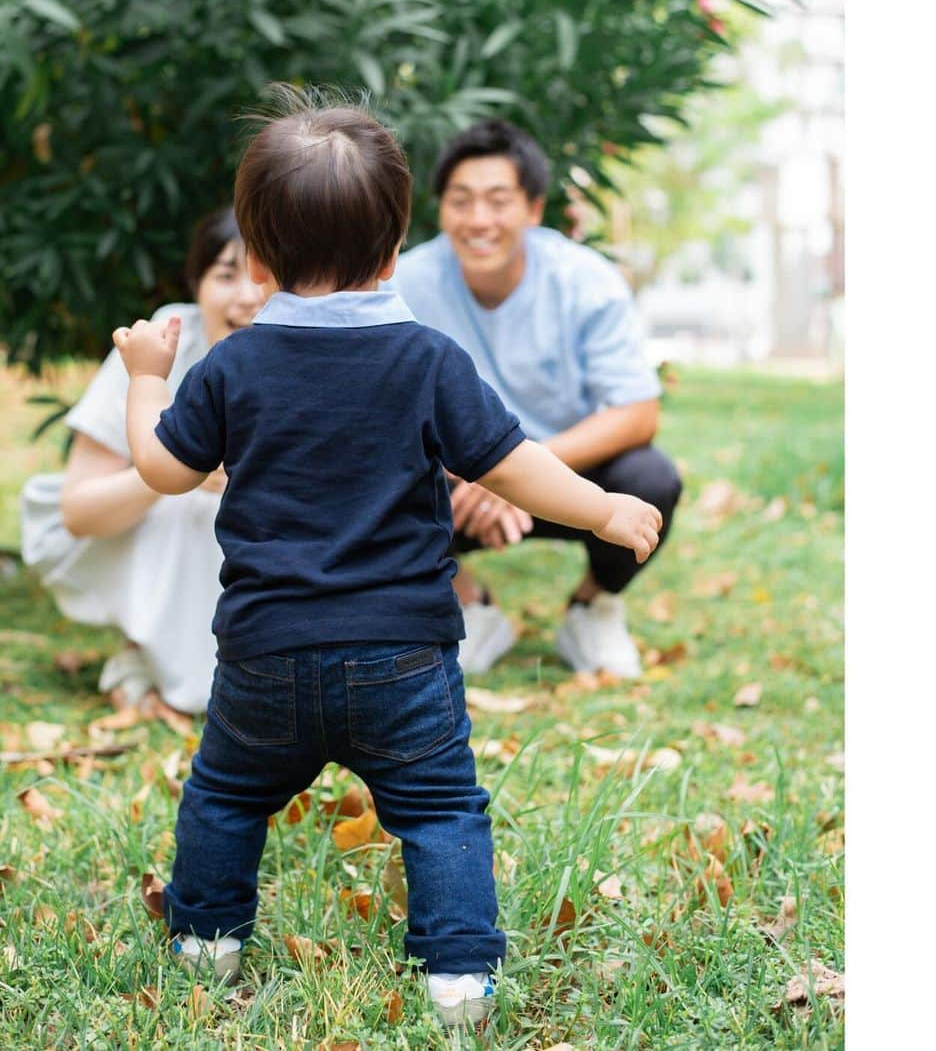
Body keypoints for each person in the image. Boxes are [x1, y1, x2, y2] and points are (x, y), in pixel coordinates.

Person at [110, 89, 662, 1029]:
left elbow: (162, 468)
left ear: (261, 248)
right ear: (394, 239)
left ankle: (206, 944)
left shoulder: (233, 366)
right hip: (402, 656)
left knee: (227, 797)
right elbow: (515, 467)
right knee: (442, 810)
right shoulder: (429, 359)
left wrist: (147, 379)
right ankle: (457, 981)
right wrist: (602, 503)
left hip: (263, 654)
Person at [390, 118, 683, 678]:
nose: (479, 220)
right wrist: (475, 474)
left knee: (651, 479)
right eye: (461, 201)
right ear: (441, 209)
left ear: (532, 208)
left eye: (498, 201)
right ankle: (467, 604)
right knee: (375, 479)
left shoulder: (585, 280)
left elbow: (638, 411)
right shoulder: (407, 282)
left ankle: (592, 607)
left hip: (566, 476)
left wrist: (519, 471)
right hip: (456, 486)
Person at [19, 209, 263, 714]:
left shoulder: (309, 347)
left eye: (263, 275)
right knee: (190, 509)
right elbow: (80, 510)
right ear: (196, 283)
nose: (246, 296)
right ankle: (151, 659)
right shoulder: (158, 344)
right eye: (225, 274)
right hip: (147, 528)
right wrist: (175, 469)